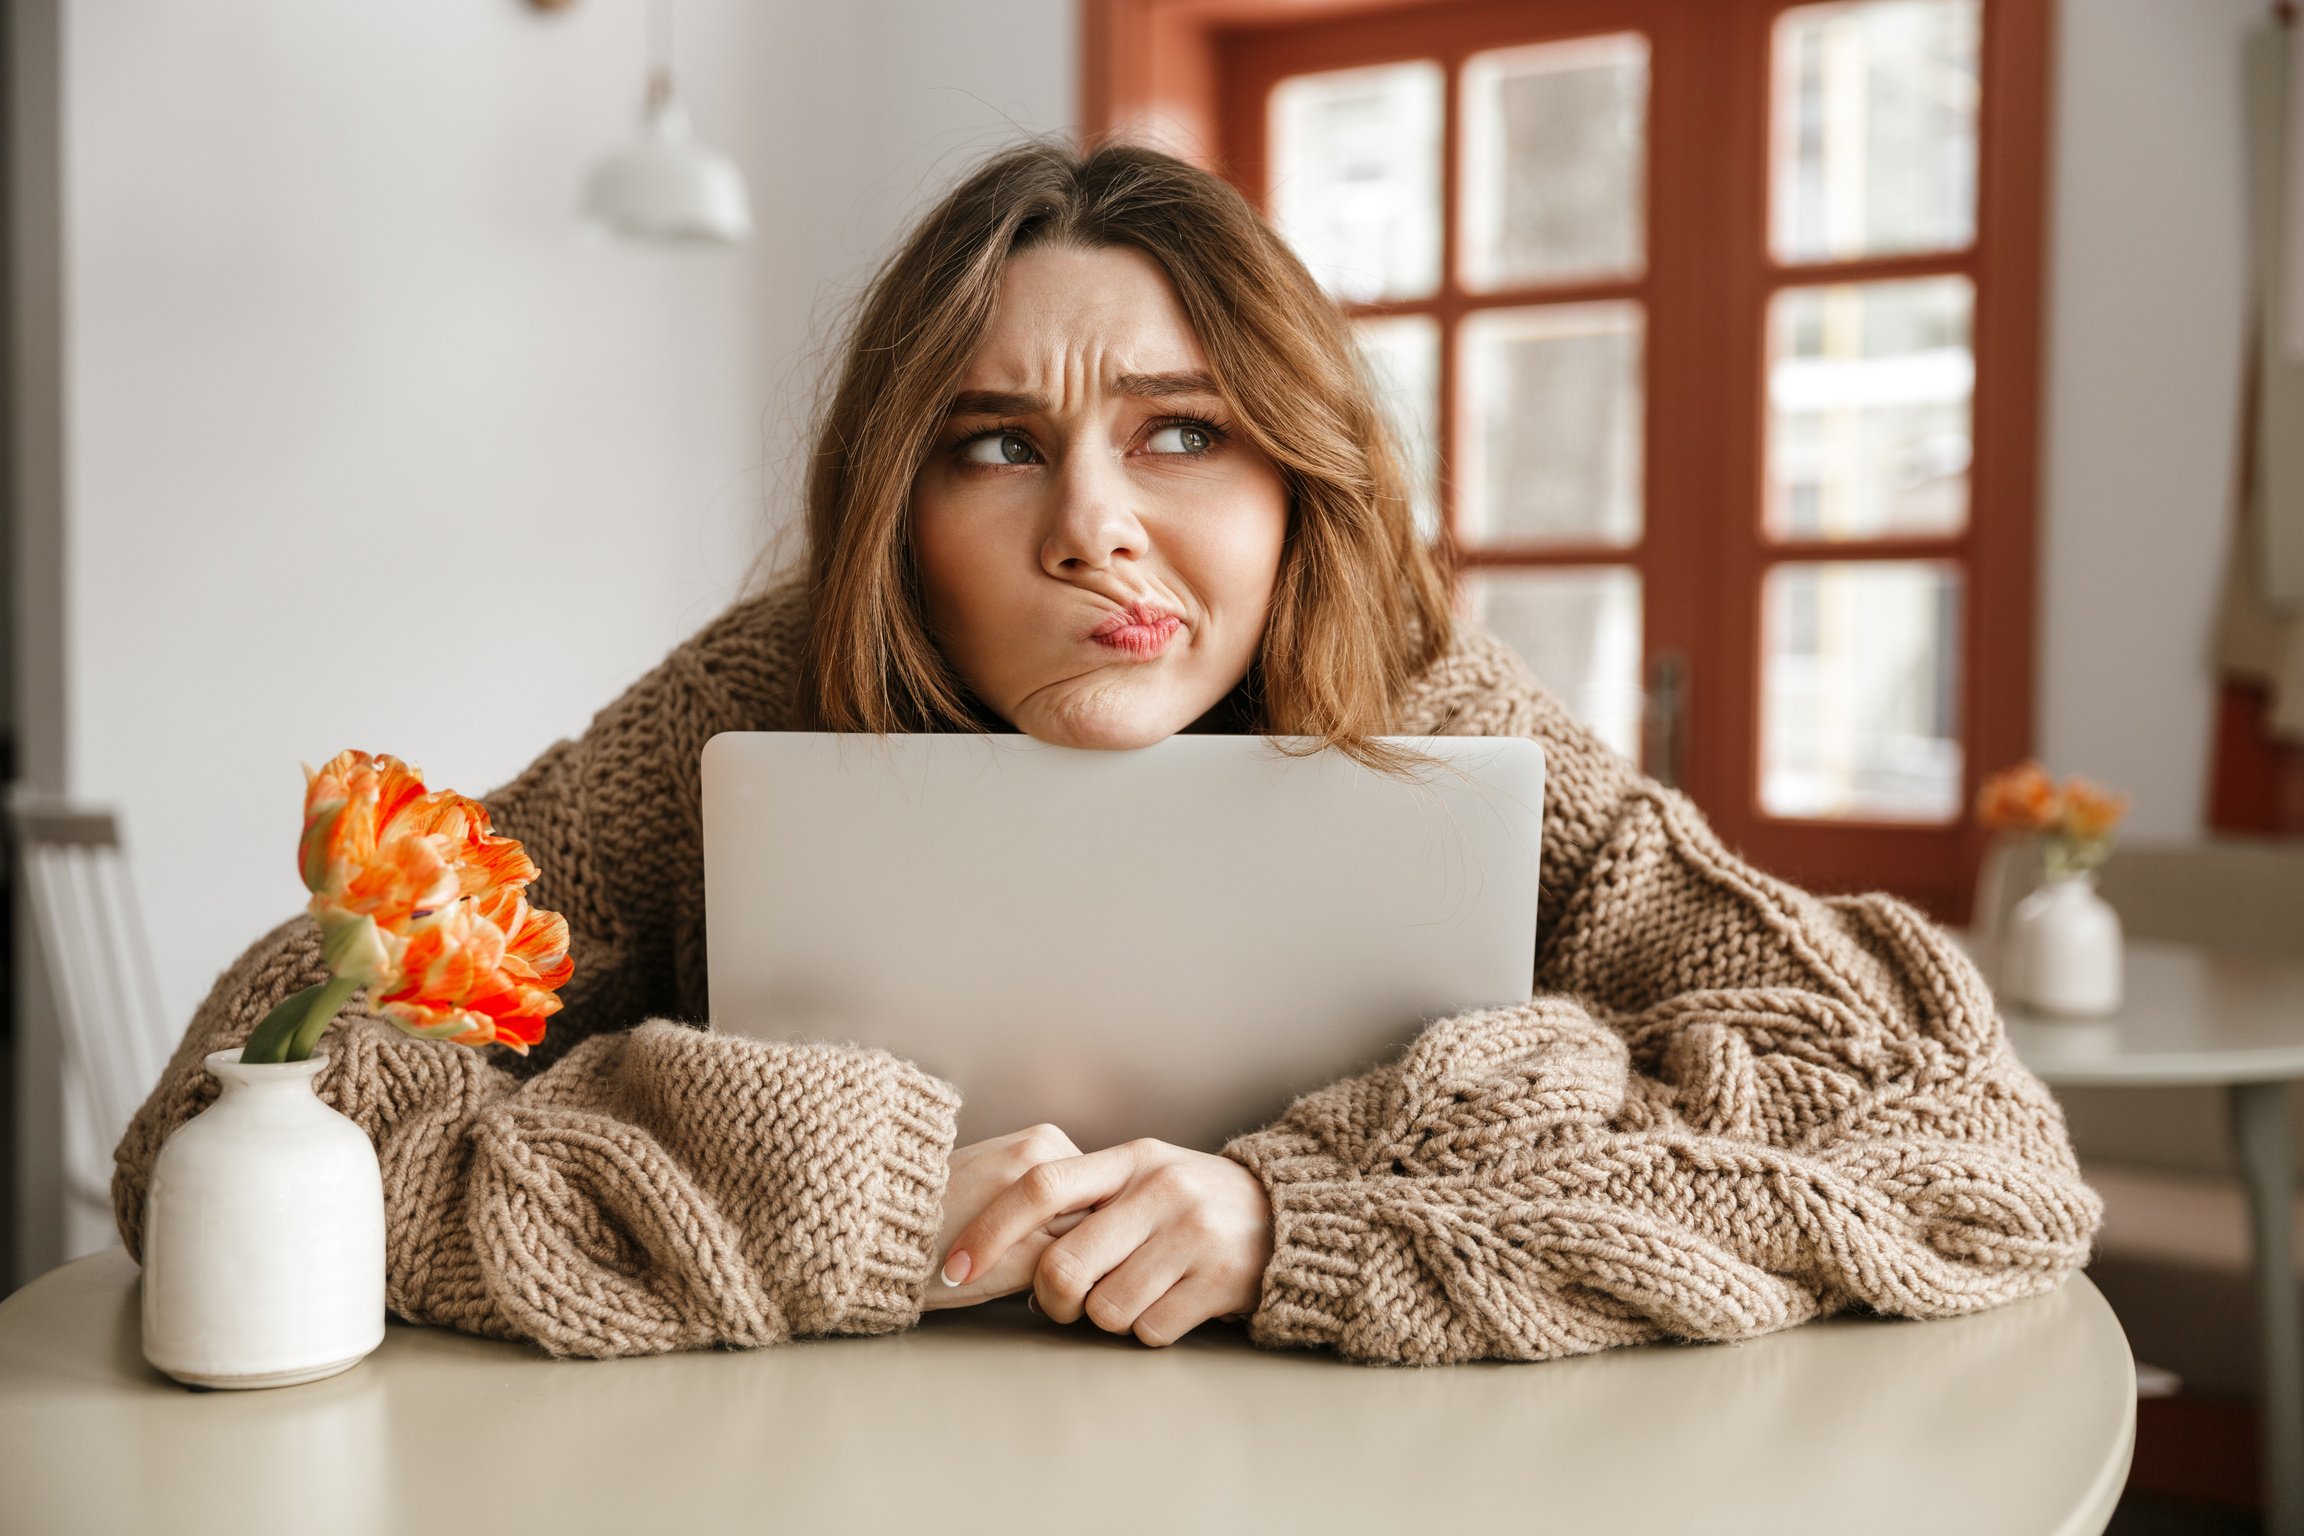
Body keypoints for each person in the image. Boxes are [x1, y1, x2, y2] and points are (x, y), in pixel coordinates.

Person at [111, 136, 2102, 1364]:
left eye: (1181, 429)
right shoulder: (752, 702)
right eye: (997, 444)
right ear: (901, 509)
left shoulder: (1425, 705)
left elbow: (1963, 1152)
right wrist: (835, 1196)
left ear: (1295, 477)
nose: (1093, 526)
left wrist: (1313, 1227)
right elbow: (227, 1133)